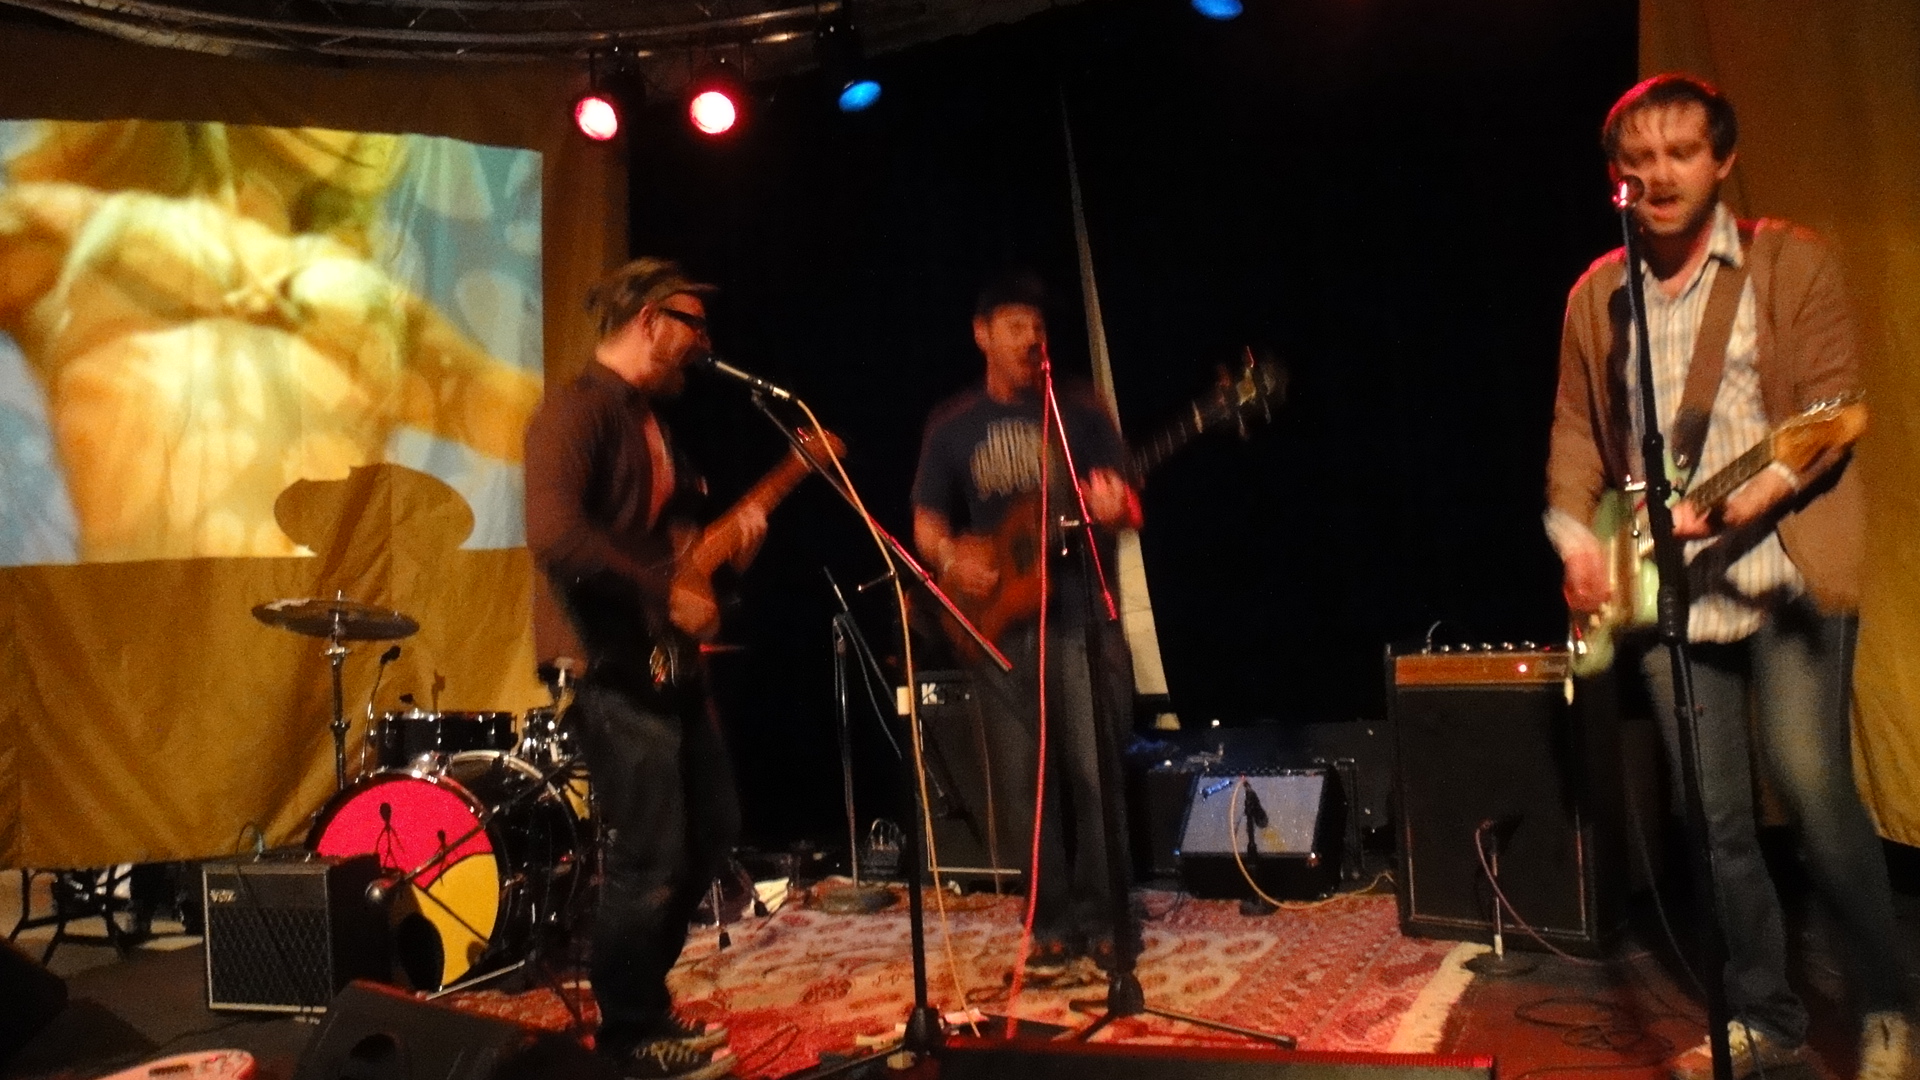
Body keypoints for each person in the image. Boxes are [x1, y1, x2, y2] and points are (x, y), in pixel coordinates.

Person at [1544, 74, 1913, 1080]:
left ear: (1721, 163)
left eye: (1678, 153)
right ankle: (1764, 1014)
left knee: (1813, 787)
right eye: (1639, 158)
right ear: (1618, 174)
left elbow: (1834, 413)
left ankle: (1888, 1004)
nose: (1657, 175)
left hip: (1784, 570)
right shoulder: (1596, 295)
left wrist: (1747, 501)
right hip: (1669, 592)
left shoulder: (1792, 263)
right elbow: (1579, 433)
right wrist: (1581, 544)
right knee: (1712, 819)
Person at [524, 258, 756, 1080]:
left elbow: (673, 519)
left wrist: (712, 541)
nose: (705, 342)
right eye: (692, 323)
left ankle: (642, 1002)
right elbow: (556, 535)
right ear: (651, 320)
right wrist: (663, 587)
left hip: (667, 665)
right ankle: (628, 1032)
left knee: (713, 831)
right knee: (650, 854)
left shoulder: (655, 421)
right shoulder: (575, 411)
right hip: (610, 665)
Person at [910, 271, 1142, 985]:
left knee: (1096, 776)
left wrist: (1116, 506)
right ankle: (1045, 922)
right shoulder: (952, 425)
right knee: (1021, 787)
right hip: (1001, 629)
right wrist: (952, 558)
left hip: (1080, 621)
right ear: (982, 334)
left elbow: (1128, 501)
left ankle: (1105, 923)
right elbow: (926, 521)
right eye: (1015, 324)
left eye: (1038, 325)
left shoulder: (1079, 412)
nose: (1032, 336)